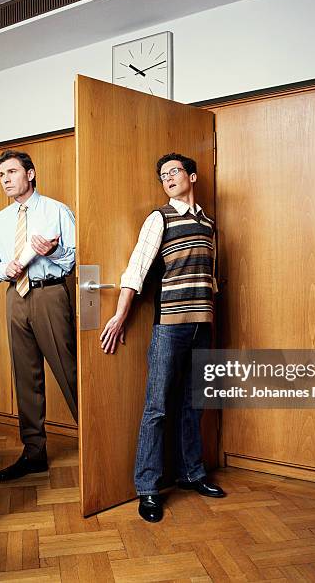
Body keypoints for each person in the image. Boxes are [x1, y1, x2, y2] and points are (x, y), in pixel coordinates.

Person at [100, 152, 225, 523]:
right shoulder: (160, 218)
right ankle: (149, 488)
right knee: (157, 406)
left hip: (204, 325)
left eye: (174, 172)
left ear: (192, 176)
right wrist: (121, 314)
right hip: (170, 326)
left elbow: (211, 275)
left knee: (193, 405)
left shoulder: (208, 224)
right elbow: (136, 268)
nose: (168, 178)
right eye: (163, 176)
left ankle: (192, 473)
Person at [0, 149, 77, 481]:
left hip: (50, 293)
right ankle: (34, 452)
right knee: (26, 376)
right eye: (1, 175)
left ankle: (98, 441)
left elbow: (74, 258)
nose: (6, 179)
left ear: (30, 174)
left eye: (11, 172)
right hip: (15, 295)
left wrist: (55, 250)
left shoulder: (56, 211)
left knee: (69, 371)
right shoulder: (0, 220)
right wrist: (2, 268)